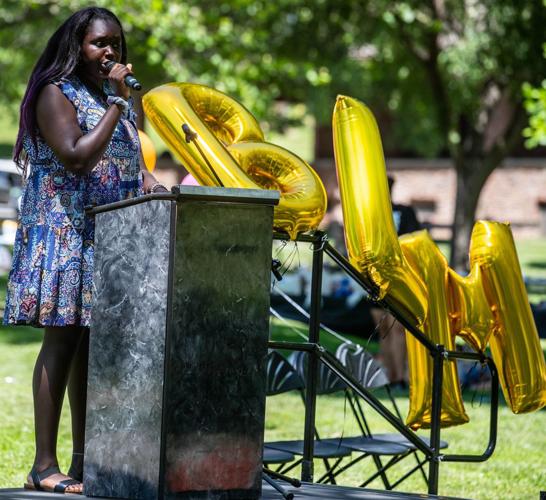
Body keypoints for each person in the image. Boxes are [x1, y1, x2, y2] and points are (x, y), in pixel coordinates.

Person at [3, 7, 167, 494]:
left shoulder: (105, 98)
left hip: (108, 239)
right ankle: (43, 466)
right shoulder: (56, 94)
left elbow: (130, 167)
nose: (111, 51)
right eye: (100, 43)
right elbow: (76, 156)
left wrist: (161, 189)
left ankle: (85, 459)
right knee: (62, 342)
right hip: (65, 235)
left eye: (116, 42)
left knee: (92, 350)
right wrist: (119, 105)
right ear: (77, 47)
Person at [371, 176, 421, 389]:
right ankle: (391, 378)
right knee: (384, 329)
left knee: (398, 328)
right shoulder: (368, 214)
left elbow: (415, 241)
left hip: (399, 278)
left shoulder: (404, 212)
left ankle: (400, 378)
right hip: (373, 277)